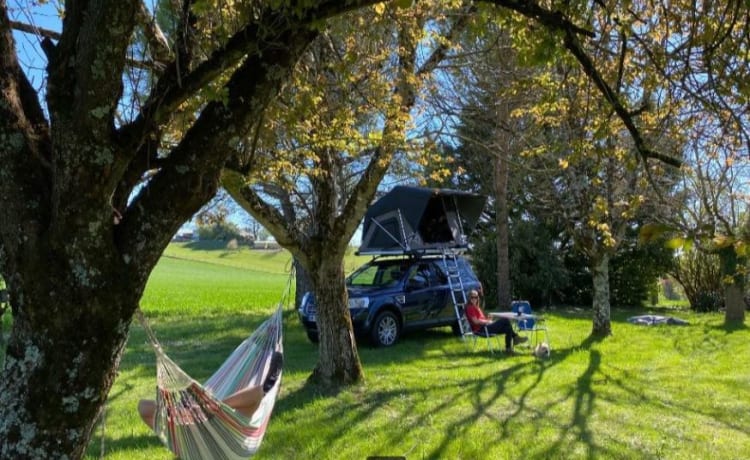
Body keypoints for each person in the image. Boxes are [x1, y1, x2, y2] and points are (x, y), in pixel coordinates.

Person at [138, 350, 283, 430]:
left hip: (198, 416)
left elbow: (143, 407)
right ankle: (269, 382)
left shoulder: (180, 436)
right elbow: (256, 393)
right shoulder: (186, 439)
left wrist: (175, 412)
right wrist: (211, 407)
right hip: (227, 428)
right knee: (258, 394)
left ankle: (205, 406)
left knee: (252, 395)